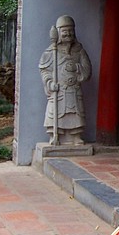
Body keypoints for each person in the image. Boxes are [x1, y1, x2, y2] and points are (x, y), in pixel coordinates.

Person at [39, 15, 92, 145]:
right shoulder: (51, 51)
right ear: (58, 33)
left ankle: (76, 136)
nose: (68, 34)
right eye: (64, 31)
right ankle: (54, 135)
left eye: (70, 30)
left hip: (74, 89)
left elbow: (87, 69)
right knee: (55, 113)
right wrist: (50, 83)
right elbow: (44, 70)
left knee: (76, 113)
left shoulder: (79, 51)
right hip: (59, 90)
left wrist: (76, 67)